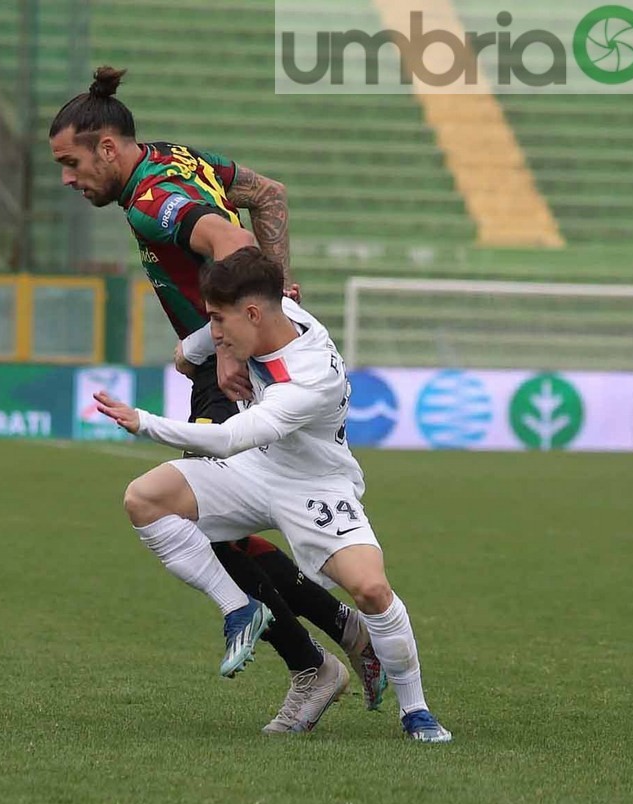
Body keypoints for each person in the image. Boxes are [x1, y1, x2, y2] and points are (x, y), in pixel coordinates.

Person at [49, 66, 385, 734]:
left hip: (237, 368)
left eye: (71, 161)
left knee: (201, 519)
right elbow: (270, 196)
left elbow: (230, 241)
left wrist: (227, 344)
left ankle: (315, 662)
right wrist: (278, 287)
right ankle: (339, 632)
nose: (66, 177)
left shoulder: (152, 199)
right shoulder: (180, 159)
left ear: (108, 149)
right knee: (210, 522)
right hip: (244, 353)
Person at [96, 248, 453, 743]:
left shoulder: (310, 376)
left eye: (221, 322)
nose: (217, 333)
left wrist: (144, 422)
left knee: (371, 590)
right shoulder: (282, 314)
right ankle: (238, 607)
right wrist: (193, 350)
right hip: (255, 471)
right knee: (145, 498)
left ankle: (415, 710)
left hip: (314, 486)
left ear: (254, 315)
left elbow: (231, 437)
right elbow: (218, 341)